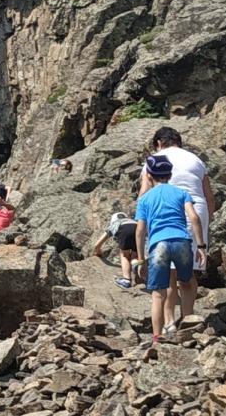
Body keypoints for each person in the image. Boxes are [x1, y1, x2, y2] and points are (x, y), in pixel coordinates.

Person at [136, 155, 205, 341]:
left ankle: (157, 337)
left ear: (149, 175)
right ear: (170, 174)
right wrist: (201, 245)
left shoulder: (144, 199)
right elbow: (194, 217)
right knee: (187, 283)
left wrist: (141, 259)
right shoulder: (181, 193)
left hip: (158, 245)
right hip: (181, 241)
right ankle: (189, 325)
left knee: (158, 293)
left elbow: (140, 230)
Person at [142, 127, 216, 250]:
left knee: (165, 265)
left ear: (159, 143)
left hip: (164, 214)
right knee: (193, 264)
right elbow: (210, 198)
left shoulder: (154, 161)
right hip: (197, 211)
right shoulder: (196, 160)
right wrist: (205, 223)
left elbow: (144, 195)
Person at [92, 208, 141, 289]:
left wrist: (98, 252)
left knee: (125, 255)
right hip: (138, 228)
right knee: (135, 255)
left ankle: (126, 280)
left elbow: (97, 244)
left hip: (124, 229)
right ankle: (136, 267)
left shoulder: (114, 224)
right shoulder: (132, 221)